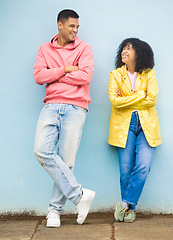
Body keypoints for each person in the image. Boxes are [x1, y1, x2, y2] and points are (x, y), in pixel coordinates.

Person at [33, 9, 95, 228]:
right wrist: (66, 69)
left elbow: (85, 76)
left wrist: (56, 74)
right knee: (41, 150)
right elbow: (39, 76)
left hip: (76, 107)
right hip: (50, 106)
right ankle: (80, 196)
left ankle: (54, 211)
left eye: (78, 27)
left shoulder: (84, 49)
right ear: (60, 25)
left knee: (66, 160)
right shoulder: (44, 49)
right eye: (72, 26)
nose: (75, 31)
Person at [108, 38, 162, 222]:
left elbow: (152, 99)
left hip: (146, 125)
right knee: (125, 171)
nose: (125, 50)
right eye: (123, 47)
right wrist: (141, 95)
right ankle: (130, 211)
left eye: (129, 48)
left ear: (139, 53)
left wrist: (128, 98)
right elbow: (115, 102)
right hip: (124, 125)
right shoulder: (115, 75)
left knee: (143, 167)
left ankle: (125, 204)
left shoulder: (149, 75)